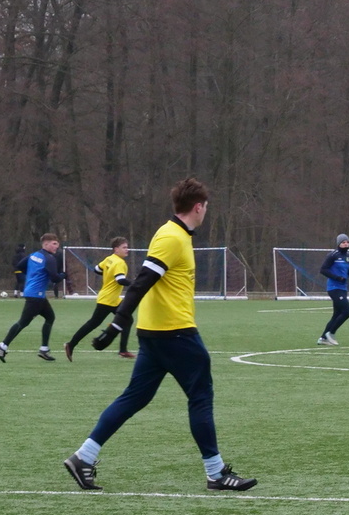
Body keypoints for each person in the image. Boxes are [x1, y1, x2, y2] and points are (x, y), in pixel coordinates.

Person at [63, 178, 257, 492]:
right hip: (175, 332)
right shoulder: (172, 237)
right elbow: (141, 282)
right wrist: (117, 323)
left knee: (135, 397)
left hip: (155, 333)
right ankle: (216, 473)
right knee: (200, 396)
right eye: (206, 207)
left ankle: (83, 457)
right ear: (198, 207)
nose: (206, 211)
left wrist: (120, 324)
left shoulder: (174, 234)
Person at [0, 233, 64, 362]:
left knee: (50, 317)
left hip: (34, 293)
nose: (57, 247)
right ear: (46, 244)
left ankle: (44, 349)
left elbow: (20, 266)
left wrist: (33, 275)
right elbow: (55, 278)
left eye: (57, 244)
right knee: (23, 322)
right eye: (54, 244)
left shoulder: (33, 255)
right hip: (36, 295)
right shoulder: (49, 258)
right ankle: (3, 345)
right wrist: (63, 275)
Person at [64, 237, 134, 361]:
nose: (127, 249)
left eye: (127, 247)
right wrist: (136, 283)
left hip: (112, 298)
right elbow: (120, 280)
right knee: (93, 323)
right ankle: (71, 344)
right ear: (116, 249)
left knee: (127, 320)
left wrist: (108, 274)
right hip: (108, 299)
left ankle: (123, 350)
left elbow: (97, 269)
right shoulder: (120, 263)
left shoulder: (109, 259)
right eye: (124, 247)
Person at [317, 233, 349, 346]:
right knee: (347, 311)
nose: (346, 244)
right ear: (339, 243)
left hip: (343, 288)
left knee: (337, 314)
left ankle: (323, 338)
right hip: (334, 288)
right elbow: (323, 270)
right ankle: (331, 333)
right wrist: (337, 278)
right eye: (343, 242)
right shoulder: (333, 255)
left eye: (347, 242)